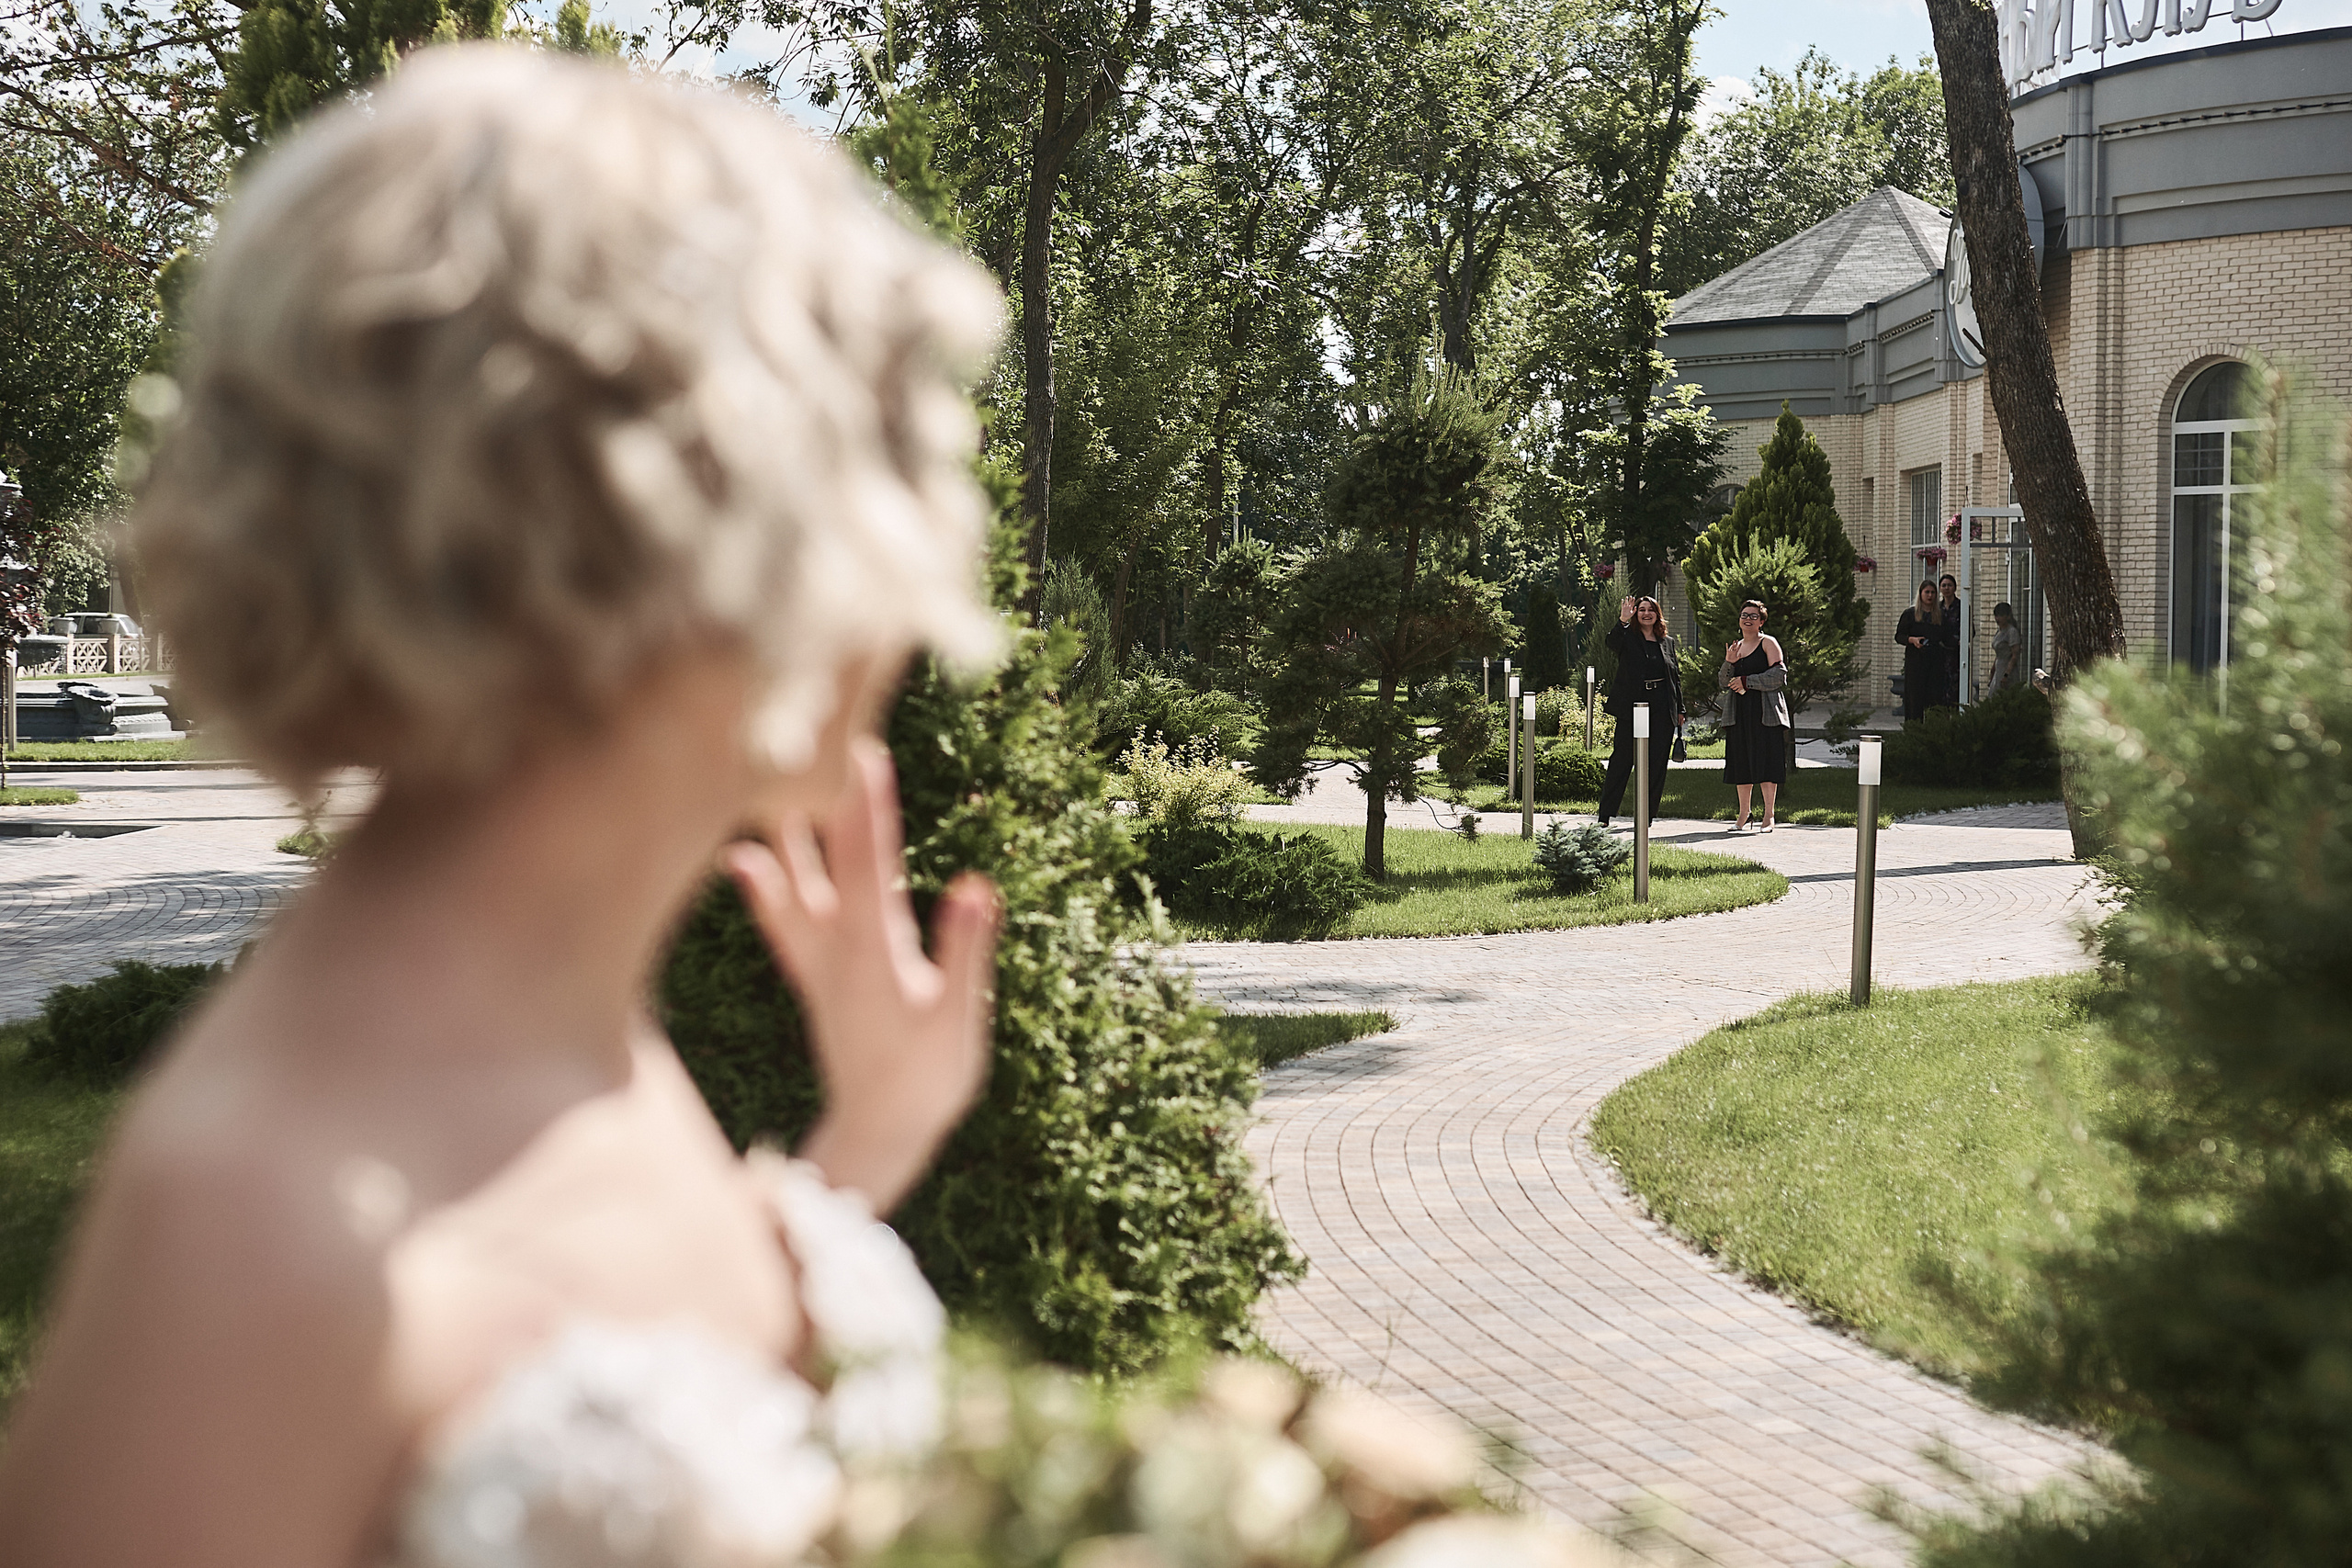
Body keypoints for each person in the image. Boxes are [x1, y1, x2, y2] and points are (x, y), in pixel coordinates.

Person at [0, 50, 1011, 1568]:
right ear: (690, 544)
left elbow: (597, 1366)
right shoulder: (255, 1230)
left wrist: (860, 1148)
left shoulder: (549, 1012)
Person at [1596, 593, 1680, 829]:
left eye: (1651, 610)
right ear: (1636, 613)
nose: (1646, 613)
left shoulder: (1667, 642)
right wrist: (1622, 620)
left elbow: (1675, 678)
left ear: (1658, 614)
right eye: (1641, 609)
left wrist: (1680, 709)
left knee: (1656, 764)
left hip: (1662, 708)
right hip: (1632, 707)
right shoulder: (1627, 637)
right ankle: (1605, 815)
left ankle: (1646, 816)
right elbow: (1611, 643)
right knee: (1622, 760)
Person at [1718, 600, 1790, 831]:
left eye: (1753, 616)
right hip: (1738, 714)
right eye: (1744, 615)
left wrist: (1747, 682)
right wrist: (1729, 663)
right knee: (1741, 765)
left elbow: (1779, 676)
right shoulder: (1736, 647)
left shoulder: (1768, 643)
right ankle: (1744, 815)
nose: (1748, 619)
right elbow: (1722, 682)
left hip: (1765, 713)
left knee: (1767, 763)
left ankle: (1769, 816)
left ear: (1761, 621)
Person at [1895, 580, 1949, 720]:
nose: (1930, 596)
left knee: (1934, 698)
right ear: (1921, 594)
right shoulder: (1910, 614)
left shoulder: (1940, 615)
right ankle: (1914, 731)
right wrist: (1912, 640)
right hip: (1916, 662)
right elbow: (1899, 636)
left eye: (1932, 593)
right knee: (1914, 699)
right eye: (1927, 592)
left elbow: (1947, 636)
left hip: (1935, 662)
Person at [1938, 573, 1965, 706]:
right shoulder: (1937, 608)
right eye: (1944, 585)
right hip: (1940, 655)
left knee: (1956, 690)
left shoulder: (1962, 607)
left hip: (1957, 655)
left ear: (1954, 588)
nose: (1946, 588)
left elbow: (1970, 631)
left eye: (1949, 585)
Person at [1986, 600, 2023, 694]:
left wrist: (2006, 674)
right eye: (1996, 616)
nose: (1997, 619)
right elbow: (1998, 654)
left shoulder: (2011, 632)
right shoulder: (1999, 631)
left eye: (2000, 616)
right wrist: (1993, 670)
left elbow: (2014, 656)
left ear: (2008, 616)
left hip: (2008, 668)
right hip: (1998, 667)